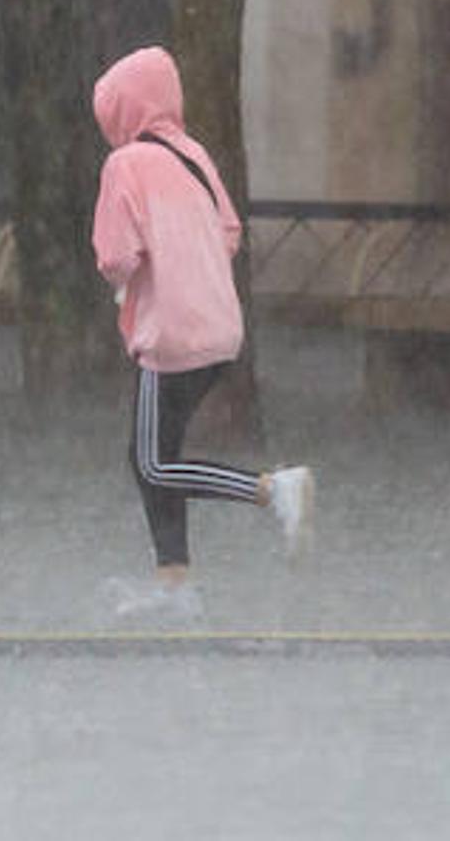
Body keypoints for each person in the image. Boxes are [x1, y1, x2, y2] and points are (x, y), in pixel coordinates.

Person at [88, 46, 312, 617]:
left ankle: (271, 490)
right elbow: (229, 231)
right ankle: (175, 585)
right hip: (219, 330)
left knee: (152, 463)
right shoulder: (194, 154)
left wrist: (132, 277)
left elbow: (116, 257)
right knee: (156, 456)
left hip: (169, 334)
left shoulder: (126, 164)